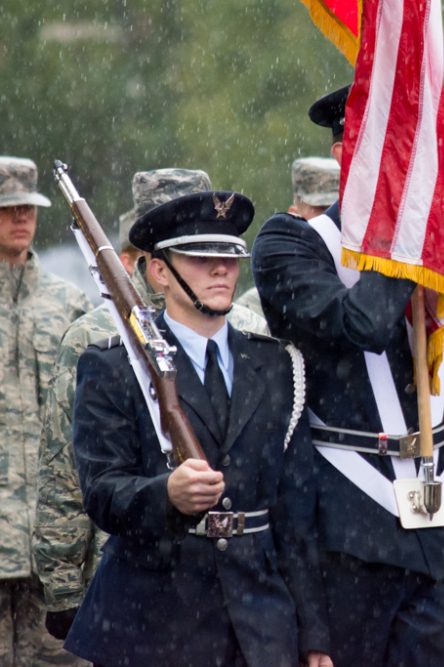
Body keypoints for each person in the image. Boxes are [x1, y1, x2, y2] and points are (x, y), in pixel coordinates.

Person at [250, 87, 444, 665]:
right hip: (346, 538)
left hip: (437, 542)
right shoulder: (291, 243)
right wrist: (406, 237)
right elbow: (359, 322)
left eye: (411, 153)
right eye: (386, 149)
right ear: (345, 152)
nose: (403, 167)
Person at [64, 191, 331, 667]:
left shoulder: (276, 365)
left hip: (259, 619)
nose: (221, 270)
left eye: (229, 257)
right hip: (154, 616)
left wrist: (314, 636)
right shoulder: (114, 366)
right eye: (200, 257)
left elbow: (296, 512)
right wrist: (165, 494)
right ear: (159, 272)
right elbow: (102, 492)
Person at [32, 169, 268, 643]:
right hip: (133, 573)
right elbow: (73, 474)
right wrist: (64, 587)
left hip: (238, 591)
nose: (214, 265)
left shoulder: (248, 334)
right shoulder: (98, 342)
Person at [0, 155, 91, 665]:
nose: (21, 218)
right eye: (8, 207)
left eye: (27, 208)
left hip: (51, 537)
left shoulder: (69, 306)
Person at [236, 156, 340, 316]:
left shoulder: (374, 288)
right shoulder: (255, 307)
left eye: (342, 212)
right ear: (295, 215)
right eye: (325, 211)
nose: (336, 221)